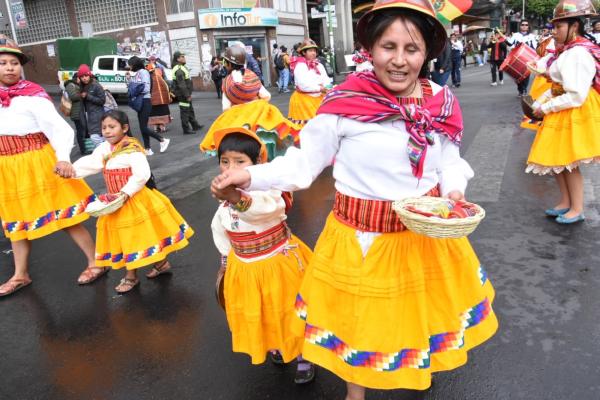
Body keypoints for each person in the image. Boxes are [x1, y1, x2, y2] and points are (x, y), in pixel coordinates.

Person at [210, 0, 498, 398]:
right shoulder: (345, 103)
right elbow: (302, 165)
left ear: (427, 53)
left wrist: (452, 194)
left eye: (411, 49)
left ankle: (417, 370)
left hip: (423, 237)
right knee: (358, 323)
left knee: (420, 314)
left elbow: (449, 160)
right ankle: (355, 394)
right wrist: (249, 175)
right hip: (360, 240)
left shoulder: (441, 102)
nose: (399, 60)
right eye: (388, 47)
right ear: (371, 49)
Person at [0, 36, 108, 296]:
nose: (9, 67)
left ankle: (96, 262)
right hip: (7, 167)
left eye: (14, 62)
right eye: (3, 63)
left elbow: (59, 129)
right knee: (15, 223)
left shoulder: (33, 94)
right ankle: (20, 274)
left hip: (39, 161)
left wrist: (62, 157)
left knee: (66, 216)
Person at [209, 127, 315, 383]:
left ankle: (303, 355)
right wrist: (225, 261)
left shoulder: (269, 191)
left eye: (239, 162)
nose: (229, 168)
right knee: (264, 311)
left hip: (277, 263)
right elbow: (220, 227)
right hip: (244, 267)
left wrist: (236, 198)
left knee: (288, 310)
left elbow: (262, 211)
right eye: (225, 161)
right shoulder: (226, 200)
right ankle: (277, 345)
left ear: (257, 164)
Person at [72, 110, 194, 292]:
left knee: (132, 239)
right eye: (104, 127)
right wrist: (70, 170)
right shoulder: (105, 148)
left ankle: (131, 276)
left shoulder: (132, 149)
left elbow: (142, 175)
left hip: (134, 199)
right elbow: (92, 162)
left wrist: (125, 193)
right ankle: (161, 264)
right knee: (137, 238)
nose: (107, 131)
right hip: (115, 201)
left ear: (125, 128)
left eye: (112, 127)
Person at [526, 0, 600, 224]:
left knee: (569, 162)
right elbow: (558, 85)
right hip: (561, 108)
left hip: (572, 110)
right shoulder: (567, 51)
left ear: (574, 26)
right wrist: (541, 102)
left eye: (558, 27)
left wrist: (545, 106)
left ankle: (577, 208)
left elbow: (576, 94)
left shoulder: (578, 53)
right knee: (556, 160)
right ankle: (566, 202)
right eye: (554, 26)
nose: (554, 31)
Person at [126, 56, 170, 155]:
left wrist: (135, 90)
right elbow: (133, 87)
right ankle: (147, 149)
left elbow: (145, 88)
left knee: (143, 127)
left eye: (130, 64)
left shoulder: (143, 72)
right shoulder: (138, 73)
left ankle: (162, 140)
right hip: (142, 101)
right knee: (143, 126)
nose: (129, 66)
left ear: (134, 64)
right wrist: (129, 80)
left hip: (145, 100)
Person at [288, 38, 332, 126]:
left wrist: (328, 87)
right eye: (310, 51)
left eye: (315, 51)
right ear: (304, 52)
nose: (313, 53)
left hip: (320, 98)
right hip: (304, 101)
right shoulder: (300, 66)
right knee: (307, 128)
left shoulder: (319, 64)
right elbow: (302, 85)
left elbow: (326, 78)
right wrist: (320, 88)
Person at [220, 46, 271, 111]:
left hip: (237, 117)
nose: (224, 65)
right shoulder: (252, 76)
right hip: (254, 115)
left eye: (224, 62)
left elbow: (226, 107)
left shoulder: (226, 82)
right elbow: (267, 96)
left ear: (230, 64)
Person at [502, 20, 538, 96]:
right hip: (516, 57)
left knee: (526, 74)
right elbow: (510, 44)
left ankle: (524, 89)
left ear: (528, 27)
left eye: (526, 25)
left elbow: (534, 48)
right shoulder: (515, 35)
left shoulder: (531, 36)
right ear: (520, 26)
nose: (524, 26)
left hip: (527, 58)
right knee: (517, 75)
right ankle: (520, 89)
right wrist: (505, 39)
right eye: (523, 24)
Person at [172, 51, 203, 135]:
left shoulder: (182, 67)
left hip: (185, 94)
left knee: (190, 110)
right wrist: (187, 95)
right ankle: (186, 129)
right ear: (178, 59)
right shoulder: (179, 69)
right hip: (183, 94)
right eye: (182, 56)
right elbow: (181, 84)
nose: (184, 58)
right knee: (185, 111)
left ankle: (195, 125)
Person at [77, 64, 105, 147]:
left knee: (94, 137)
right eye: (82, 77)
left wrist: (88, 96)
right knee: (98, 136)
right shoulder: (82, 86)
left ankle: (104, 151)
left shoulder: (96, 85)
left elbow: (102, 100)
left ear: (89, 75)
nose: (84, 78)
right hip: (88, 115)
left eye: (86, 75)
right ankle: (104, 151)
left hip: (97, 115)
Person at [64, 72, 90, 155]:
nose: (83, 79)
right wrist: (81, 94)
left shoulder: (76, 85)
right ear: (77, 78)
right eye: (81, 77)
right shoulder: (70, 85)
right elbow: (73, 96)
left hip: (80, 111)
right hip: (76, 113)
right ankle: (83, 149)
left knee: (84, 130)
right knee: (80, 131)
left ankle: (87, 147)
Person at [146, 57, 172, 134]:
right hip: (157, 96)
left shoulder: (159, 68)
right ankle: (158, 127)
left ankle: (159, 127)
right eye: (150, 60)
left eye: (153, 60)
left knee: (158, 110)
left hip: (157, 96)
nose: (151, 61)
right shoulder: (149, 70)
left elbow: (164, 78)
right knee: (158, 111)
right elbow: (164, 85)